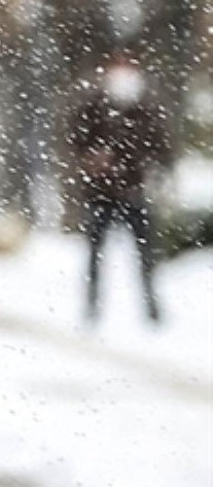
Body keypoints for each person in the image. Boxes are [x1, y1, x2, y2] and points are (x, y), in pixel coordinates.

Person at [67, 52, 171, 325]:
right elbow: (76, 139)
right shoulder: (94, 107)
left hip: (135, 192)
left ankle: (151, 308)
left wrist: (156, 173)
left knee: (145, 254)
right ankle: (92, 306)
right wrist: (92, 159)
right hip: (100, 194)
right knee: (95, 255)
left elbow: (161, 147)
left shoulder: (145, 109)